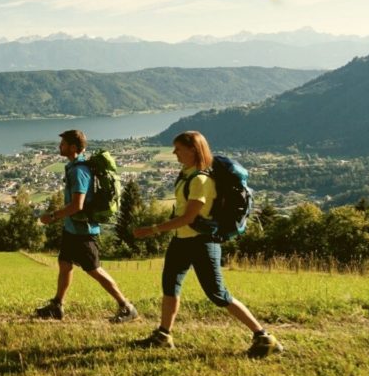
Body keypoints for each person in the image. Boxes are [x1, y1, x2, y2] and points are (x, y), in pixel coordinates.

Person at [133, 130, 283, 357]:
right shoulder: (186, 174)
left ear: (193, 150)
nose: (174, 153)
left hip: (202, 243)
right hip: (182, 241)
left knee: (218, 294)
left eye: (178, 149)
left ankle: (264, 337)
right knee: (170, 287)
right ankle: (163, 335)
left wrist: (151, 230)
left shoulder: (201, 180)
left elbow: (188, 218)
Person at [35, 129, 139, 323]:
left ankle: (126, 306)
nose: (60, 147)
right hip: (72, 228)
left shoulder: (79, 171)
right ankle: (57, 306)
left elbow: (77, 205)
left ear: (73, 147)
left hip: (82, 231)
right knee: (65, 264)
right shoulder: (75, 166)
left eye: (63, 144)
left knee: (94, 270)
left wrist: (52, 216)